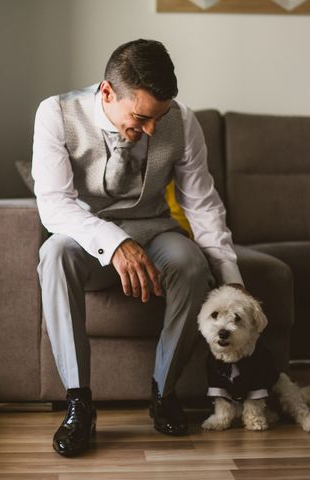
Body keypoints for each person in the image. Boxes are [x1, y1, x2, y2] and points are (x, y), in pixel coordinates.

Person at [31, 39, 245, 457]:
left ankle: (164, 393)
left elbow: (201, 206)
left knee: (189, 261)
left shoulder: (182, 122)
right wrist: (114, 243)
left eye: (158, 118)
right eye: (141, 117)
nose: (151, 129)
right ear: (108, 92)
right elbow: (54, 205)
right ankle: (79, 403)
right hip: (84, 235)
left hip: (154, 230)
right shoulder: (54, 114)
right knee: (53, 256)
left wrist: (234, 282)